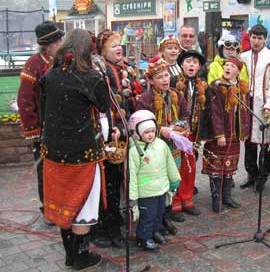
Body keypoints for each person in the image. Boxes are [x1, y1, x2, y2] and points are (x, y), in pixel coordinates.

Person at [40, 29, 112, 270]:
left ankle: (70, 256)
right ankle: (81, 257)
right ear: (87, 50)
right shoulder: (90, 76)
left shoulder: (50, 75)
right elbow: (104, 104)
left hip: (53, 152)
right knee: (83, 206)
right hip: (81, 154)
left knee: (63, 204)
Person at [17, 20, 64, 222]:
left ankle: (63, 206)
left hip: (63, 128)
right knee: (45, 171)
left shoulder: (64, 60)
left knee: (62, 170)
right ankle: (48, 209)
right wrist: (34, 131)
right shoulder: (34, 64)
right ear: (48, 44)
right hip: (44, 130)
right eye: (58, 39)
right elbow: (25, 99)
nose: (62, 41)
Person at [135, 56, 189, 223]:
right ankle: (157, 219)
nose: (165, 80)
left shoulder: (176, 95)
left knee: (172, 180)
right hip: (154, 147)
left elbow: (185, 114)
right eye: (159, 77)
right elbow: (140, 123)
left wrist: (180, 127)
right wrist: (160, 130)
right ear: (150, 80)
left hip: (173, 147)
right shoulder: (145, 99)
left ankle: (167, 212)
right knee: (157, 181)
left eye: (166, 75)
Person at [93, 29, 129, 248]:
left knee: (118, 182)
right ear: (102, 50)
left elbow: (123, 103)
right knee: (109, 185)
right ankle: (108, 226)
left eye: (120, 45)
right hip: (107, 136)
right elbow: (105, 106)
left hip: (120, 132)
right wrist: (114, 127)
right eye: (113, 45)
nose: (119, 48)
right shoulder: (101, 71)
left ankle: (114, 219)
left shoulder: (120, 69)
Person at [202, 56, 250, 211]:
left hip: (234, 133)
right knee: (216, 167)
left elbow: (244, 112)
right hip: (220, 134)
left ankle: (227, 197)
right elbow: (214, 112)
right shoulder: (216, 86)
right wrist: (219, 134)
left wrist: (245, 130)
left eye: (232, 66)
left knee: (229, 166)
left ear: (238, 71)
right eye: (226, 65)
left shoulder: (240, 87)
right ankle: (217, 200)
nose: (228, 68)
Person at [128, 110, 181, 250]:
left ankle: (154, 232)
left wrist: (174, 180)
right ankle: (143, 238)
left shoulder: (161, 145)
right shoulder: (134, 152)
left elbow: (170, 163)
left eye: (152, 131)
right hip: (146, 192)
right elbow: (132, 176)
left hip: (161, 188)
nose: (150, 134)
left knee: (159, 213)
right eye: (146, 132)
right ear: (137, 133)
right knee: (148, 216)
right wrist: (132, 197)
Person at [240, 24, 270, 191]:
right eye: (254, 38)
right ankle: (251, 174)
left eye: (260, 38)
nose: (256, 41)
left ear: (265, 39)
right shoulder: (243, 57)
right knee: (249, 141)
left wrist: (269, 105)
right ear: (250, 38)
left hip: (263, 104)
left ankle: (263, 176)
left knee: (265, 141)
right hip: (246, 103)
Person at [171, 49, 207, 216]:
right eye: (188, 61)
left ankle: (187, 198)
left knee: (190, 166)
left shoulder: (201, 85)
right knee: (176, 168)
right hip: (177, 132)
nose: (191, 64)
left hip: (193, 132)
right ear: (181, 65)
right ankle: (175, 201)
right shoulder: (173, 82)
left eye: (195, 62)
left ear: (199, 67)